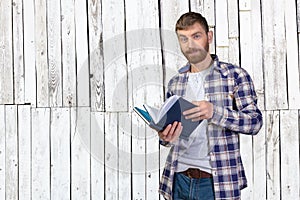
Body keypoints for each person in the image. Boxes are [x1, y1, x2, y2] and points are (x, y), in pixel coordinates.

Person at [157, 12, 263, 200]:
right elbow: (170, 138)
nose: (190, 45)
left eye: (196, 36)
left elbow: (255, 122)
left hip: (216, 183)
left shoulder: (234, 75)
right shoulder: (175, 83)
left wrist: (214, 112)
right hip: (178, 179)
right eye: (184, 39)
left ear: (209, 36)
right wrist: (165, 136)